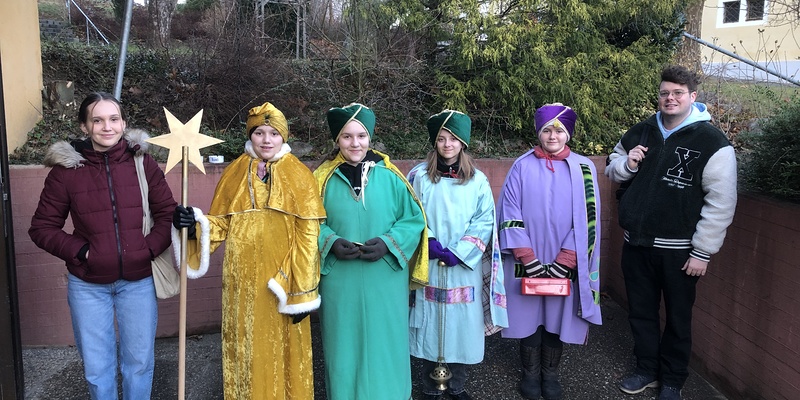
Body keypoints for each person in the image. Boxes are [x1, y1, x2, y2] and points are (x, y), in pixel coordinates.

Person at [172, 101, 326, 399]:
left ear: (284, 137)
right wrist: (194, 225)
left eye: (274, 133)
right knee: (247, 351)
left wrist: (302, 292)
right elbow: (220, 225)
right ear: (250, 135)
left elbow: (309, 236)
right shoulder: (234, 172)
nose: (266, 140)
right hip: (241, 283)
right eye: (259, 133)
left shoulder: (300, 175)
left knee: (285, 352)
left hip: (284, 281)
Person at [29, 92, 176, 399]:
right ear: (84, 126)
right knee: (97, 369)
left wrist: (147, 250)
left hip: (138, 282)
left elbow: (166, 213)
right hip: (88, 285)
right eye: (97, 120)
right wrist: (83, 252)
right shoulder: (66, 172)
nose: (107, 127)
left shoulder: (143, 163)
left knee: (139, 364)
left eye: (114, 119)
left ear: (123, 123)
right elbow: (42, 227)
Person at [606, 65, 737, 400]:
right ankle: (646, 370)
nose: (670, 98)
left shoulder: (712, 142)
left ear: (693, 97)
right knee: (641, 313)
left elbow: (721, 202)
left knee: (678, 319)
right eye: (665, 93)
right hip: (636, 243)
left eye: (678, 93)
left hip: (680, 252)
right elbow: (613, 167)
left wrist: (702, 251)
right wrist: (628, 164)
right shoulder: (643, 131)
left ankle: (673, 381)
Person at [313, 102, 428, 400]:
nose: (355, 143)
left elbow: (414, 219)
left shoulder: (391, 176)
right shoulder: (320, 180)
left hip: (384, 278)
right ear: (337, 139)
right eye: (347, 136)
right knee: (342, 345)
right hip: (339, 280)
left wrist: (389, 242)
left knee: (386, 343)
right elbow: (308, 224)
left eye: (361, 136)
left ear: (370, 138)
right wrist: (330, 241)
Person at [497, 103, 603, 400]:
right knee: (528, 317)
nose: (552, 136)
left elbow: (588, 218)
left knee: (557, 319)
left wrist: (566, 259)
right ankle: (530, 375)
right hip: (526, 260)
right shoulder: (521, 165)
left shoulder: (584, 168)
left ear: (568, 134)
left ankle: (551, 375)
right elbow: (509, 209)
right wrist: (526, 256)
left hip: (565, 260)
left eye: (559, 130)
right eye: (546, 130)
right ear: (538, 133)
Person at [407, 110, 508, 400]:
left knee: (461, 327)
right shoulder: (419, 176)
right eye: (441, 139)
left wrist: (459, 251)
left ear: (463, 142)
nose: (447, 144)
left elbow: (484, 220)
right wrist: (429, 240)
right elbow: (411, 212)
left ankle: (457, 385)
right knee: (429, 324)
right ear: (434, 142)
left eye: (453, 139)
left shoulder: (477, 180)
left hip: (463, 265)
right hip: (430, 261)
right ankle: (430, 386)